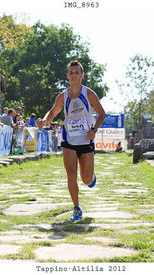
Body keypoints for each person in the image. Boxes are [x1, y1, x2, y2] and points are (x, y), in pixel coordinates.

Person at [42, 60, 106, 221]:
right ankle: (76, 208)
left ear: (82, 75)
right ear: (67, 76)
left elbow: (102, 114)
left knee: (86, 179)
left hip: (86, 141)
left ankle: (91, 177)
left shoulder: (89, 94)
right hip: (69, 140)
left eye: (76, 72)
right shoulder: (62, 97)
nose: (73, 75)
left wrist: (94, 129)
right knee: (71, 174)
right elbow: (52, 112)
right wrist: (44, 121)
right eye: (71, 72)